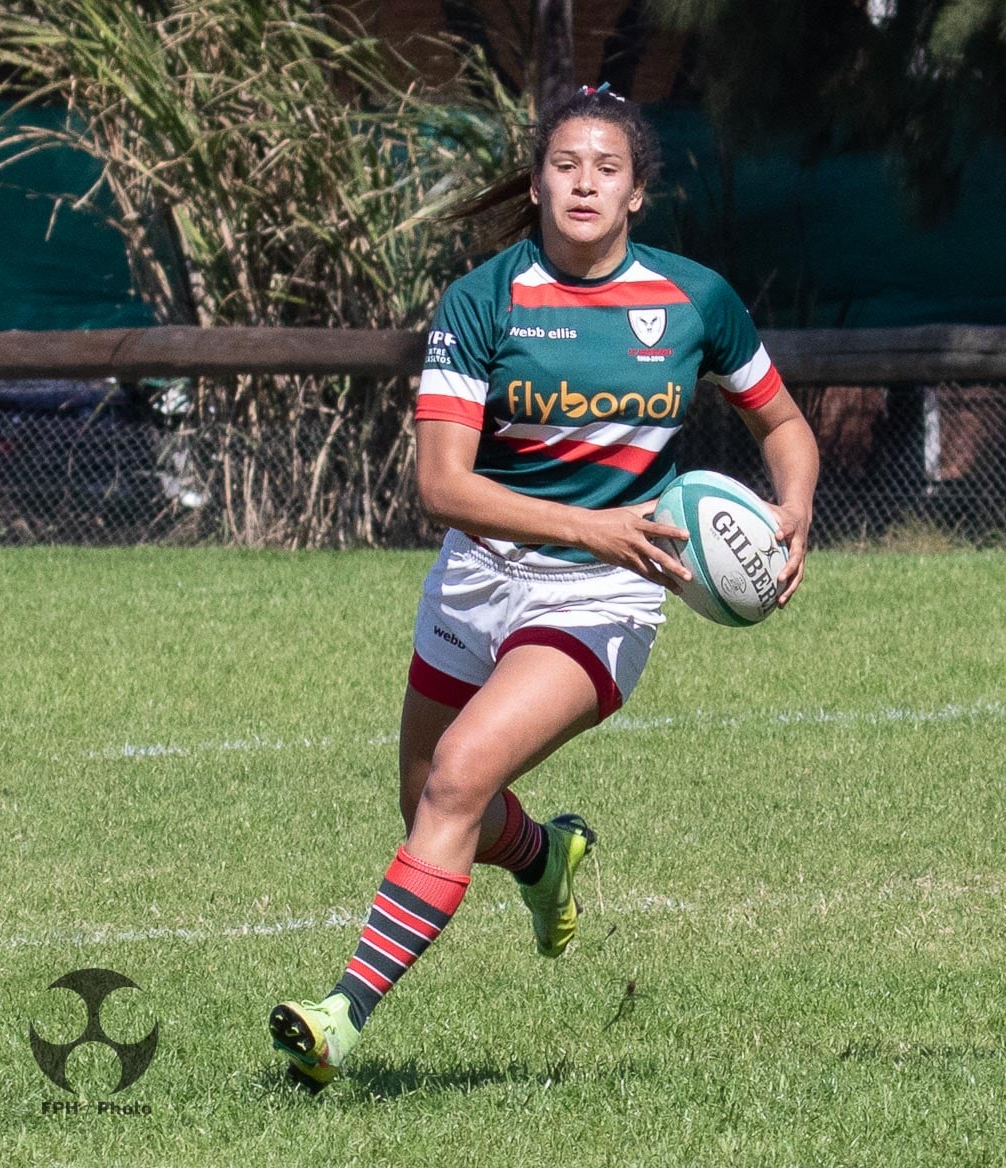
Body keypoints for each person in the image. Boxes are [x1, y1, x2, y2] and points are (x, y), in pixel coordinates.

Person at [267, 84, 819, 1092]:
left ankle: (342, 1015)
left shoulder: (695, 299)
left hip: (607, 596)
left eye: (608, 168)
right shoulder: (483, 300)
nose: (585, 184)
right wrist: (587, 521)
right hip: (476, 577)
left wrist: (796, 511)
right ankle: (543, 858)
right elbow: (443, 486)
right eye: (566, 165)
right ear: (536, 182)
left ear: (638, 192)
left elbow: (782, 424)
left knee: (458, 776)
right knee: (430, 804)